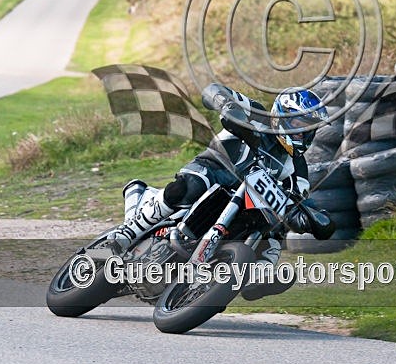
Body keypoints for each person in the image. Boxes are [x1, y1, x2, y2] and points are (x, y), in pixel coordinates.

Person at [106, 84, 335, 263]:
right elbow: (212, 91)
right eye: (299, 123)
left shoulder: (299, 167)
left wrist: (313, 219)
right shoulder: (257, 114)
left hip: (246, 202)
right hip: (213, 170)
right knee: (188, 187)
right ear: (282, 114)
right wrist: (225, 104)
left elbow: (298, 198)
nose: (303, 134)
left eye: (309, 129)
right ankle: (130, 230)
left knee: (273, 231)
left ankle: (256, 274)